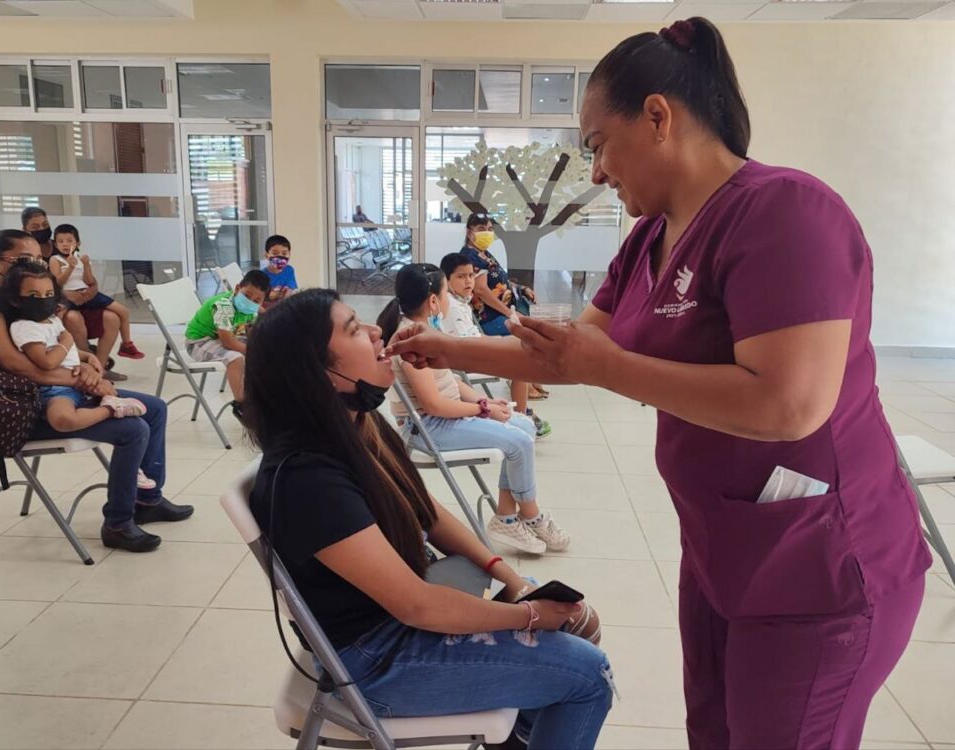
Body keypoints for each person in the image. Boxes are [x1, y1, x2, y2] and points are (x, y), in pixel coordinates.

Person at [388, 18, 931, 750]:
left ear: (657, 117)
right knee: (714, 732)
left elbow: (789, 405)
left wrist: (604, 367)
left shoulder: (786, 212)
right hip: (725, 549)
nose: (598, 173)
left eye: (597, 146)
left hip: (817, 566)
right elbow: (570, 354)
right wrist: (442, 347)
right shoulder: (650, 238)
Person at [245, 288, 611, 750]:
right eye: (355, 329)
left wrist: (507, 575)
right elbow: (417, 605)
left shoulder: (355, 425)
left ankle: (517, 734)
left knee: (580, 632)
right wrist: (530, 615)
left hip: (398, 626)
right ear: (321, 374)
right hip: (377, 661)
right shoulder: (305, 477)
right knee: (587, 676)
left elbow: (426, 510)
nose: (378, 330)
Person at [0, 229, 192, 553]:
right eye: (24, 260)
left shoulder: (27, 299)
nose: (36, 266)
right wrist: (79, 379)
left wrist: (85, 362)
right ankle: (118, 523)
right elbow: (15, 366)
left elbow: (54, 344)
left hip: (54, 388)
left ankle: (147, 500)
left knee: (155, 409)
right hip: (19, 407)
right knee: (133, 428)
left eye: (38, 258)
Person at [378, 263, 568, 556]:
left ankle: (506, 515)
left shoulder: (424, 331)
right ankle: (531, 513)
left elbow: (449, 381)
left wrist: (487, 402)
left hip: (441, 419)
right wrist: (481, 409)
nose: (448, 302)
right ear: (432, 301)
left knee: (525, 426)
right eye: (445, 295)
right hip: (426, 428)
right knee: (518, 440)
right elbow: (433, 405)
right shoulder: (409, 340)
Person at [0, 262, 148, 431]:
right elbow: (47, 362)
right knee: (63, 419)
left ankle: (111, 402)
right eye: (34, 295)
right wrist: (67, 340)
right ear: (15, 299)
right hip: (55, 389)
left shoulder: (52, 320)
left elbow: (63, 351)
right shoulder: (24, 327)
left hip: (76, 383)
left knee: (152, 411)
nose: (43, 299)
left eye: (48, 294)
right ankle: (111, 409)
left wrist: (87, 356)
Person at [440, 252, 551, 440]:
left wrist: (496, 341)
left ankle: (520, 414)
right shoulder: (452, 305)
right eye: (460, 277)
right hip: (463, 358)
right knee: (520, 367)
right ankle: (521, 418)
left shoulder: (461, 302)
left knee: (518, 349)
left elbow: (474, 335)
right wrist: (498, 344)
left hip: (470, 351)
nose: (468, 281)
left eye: (470, 276)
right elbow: (467, 344)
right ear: (446, 280)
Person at [20, 207, 126, 382]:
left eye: (45, 224)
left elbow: (85, 276)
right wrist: (64, 294)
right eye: (35, 226)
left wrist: (91, 289)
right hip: (58, 305)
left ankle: (100, 367)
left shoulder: (63, 244)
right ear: (26, 230)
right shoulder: (30, 254)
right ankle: (87, 367)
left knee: (112, 318)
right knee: (74, 319)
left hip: (82, 299)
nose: (41, 229)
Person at [459, 214, 548, 402]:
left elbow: (500, 280)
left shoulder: (483, 253)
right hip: (489, 317)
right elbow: (482, 291)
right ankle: (524, 381)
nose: (487, 233)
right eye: (481, 229)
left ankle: (529, 381)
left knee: (534, 329)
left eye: (490, 229)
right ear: (469, 232)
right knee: (524, 335)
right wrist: (508, 313)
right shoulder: (470, 257)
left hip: (500, 311)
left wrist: (522, 289)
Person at [50, 224, 144, 361]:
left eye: (69, 241)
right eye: (60, 241)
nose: (65, 244)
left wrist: (86, 265)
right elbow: (58, 282)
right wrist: (70, 267)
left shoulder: (80, 258)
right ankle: (57, 344)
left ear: (78, 243)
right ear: (55, 244)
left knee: (123, 311)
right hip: (68, 296)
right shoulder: (55, 260)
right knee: (60, 316)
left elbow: (89, 281)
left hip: (86, 293)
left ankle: (127, 345)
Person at [184, 269, 270, 415]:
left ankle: (260, 394)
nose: (250, 302)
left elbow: (249, 332)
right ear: (237, 289)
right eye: (247, 296)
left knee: (266, 349)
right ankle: (241, 404)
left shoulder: (251, 309)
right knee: (236, 359)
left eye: (256, 301)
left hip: (222, 338)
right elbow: (228, 343)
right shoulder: (223, 306)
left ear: (262, 302)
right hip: (199, 342)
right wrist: (254, 350)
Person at [261, 234, 298, 308]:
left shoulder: (289, 270)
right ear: (267, 255)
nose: (280, 256)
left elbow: (290, 290)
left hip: (284, 307)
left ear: (289, 255)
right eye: (275, 253)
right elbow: (260, 296)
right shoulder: (262, 274)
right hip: (268, 309)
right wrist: (269, 297)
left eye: (284, 253)